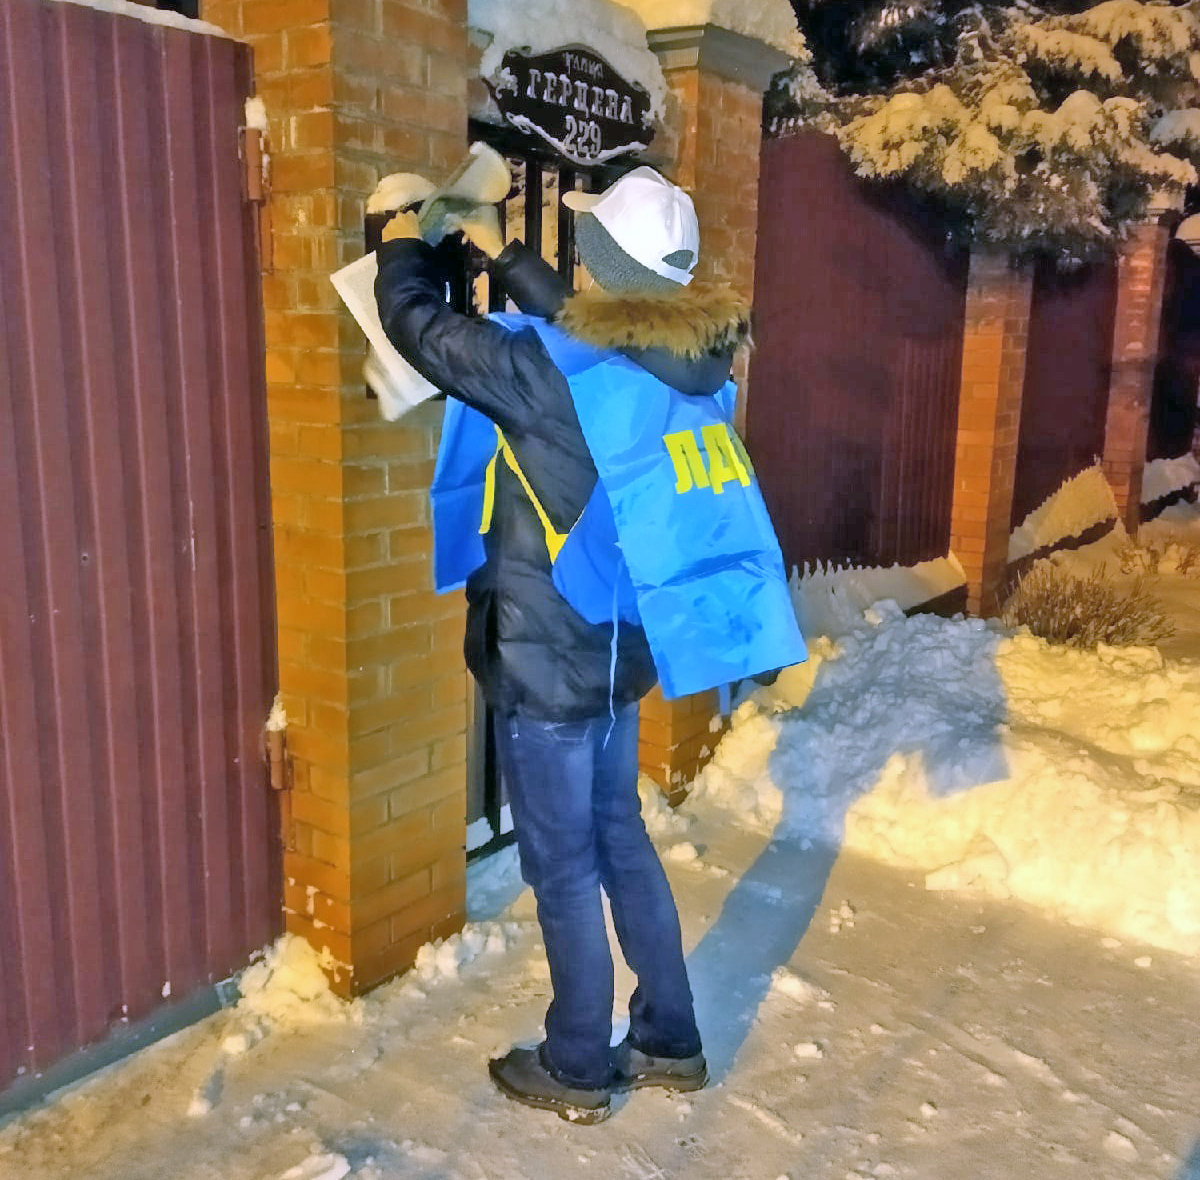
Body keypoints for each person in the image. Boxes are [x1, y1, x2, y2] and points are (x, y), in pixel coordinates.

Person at [374, 166, 758, 1123]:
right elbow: (594, 320)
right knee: (619, 837)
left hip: (549, 656)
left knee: (564, 868)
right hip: (622, 647)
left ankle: (578, 1064)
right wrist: (500, 250)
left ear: (605, 262)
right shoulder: (688, 362)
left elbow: (420, 329)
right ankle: (670, 1039)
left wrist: (400, 242)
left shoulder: (543, 371)